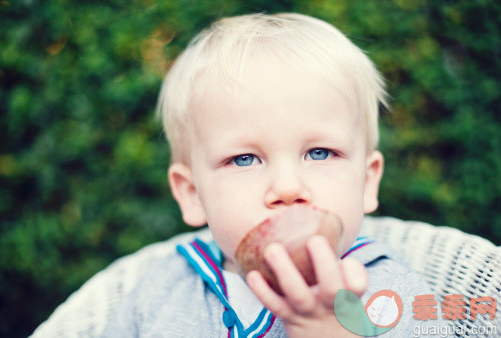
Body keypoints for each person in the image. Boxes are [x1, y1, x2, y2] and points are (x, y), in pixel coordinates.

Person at [101, 13, 443, 337]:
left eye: (320, 153)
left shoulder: (389, 295)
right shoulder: (159, 289)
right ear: (191, 194)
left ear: (367, 182)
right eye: (245, 159)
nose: (288, 187)